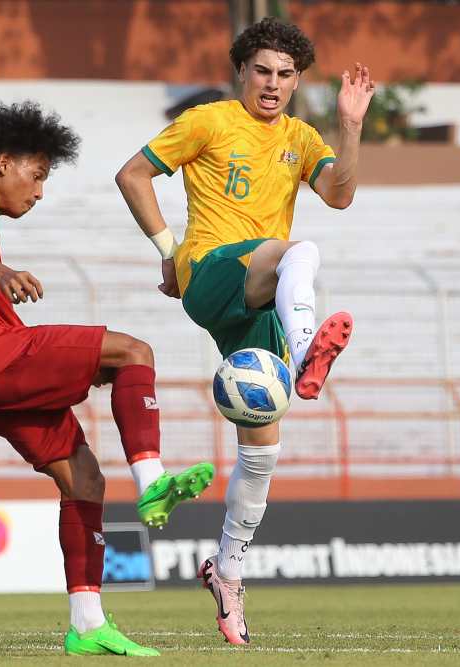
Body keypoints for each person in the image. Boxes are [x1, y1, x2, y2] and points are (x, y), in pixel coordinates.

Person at [0, 101, 214, 657]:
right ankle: (152, 483)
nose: (39, 191)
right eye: (38, 174)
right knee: (134, 351)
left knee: (84, 481)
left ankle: (87, 623)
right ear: (3, 162)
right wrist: (1, 272)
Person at [115, 18, 374, 645]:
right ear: (241, 71)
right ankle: (310, 344)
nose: (273, 84)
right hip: (210, 273)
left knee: (262, 451)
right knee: (297, 249)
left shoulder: (302, 137)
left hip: (259, 302)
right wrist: (169, 253)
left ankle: (227, 572)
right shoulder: (208, 121)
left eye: (286, 75)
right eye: (263, 70)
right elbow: (132, 175)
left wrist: (352, 124)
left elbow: (339, 194)